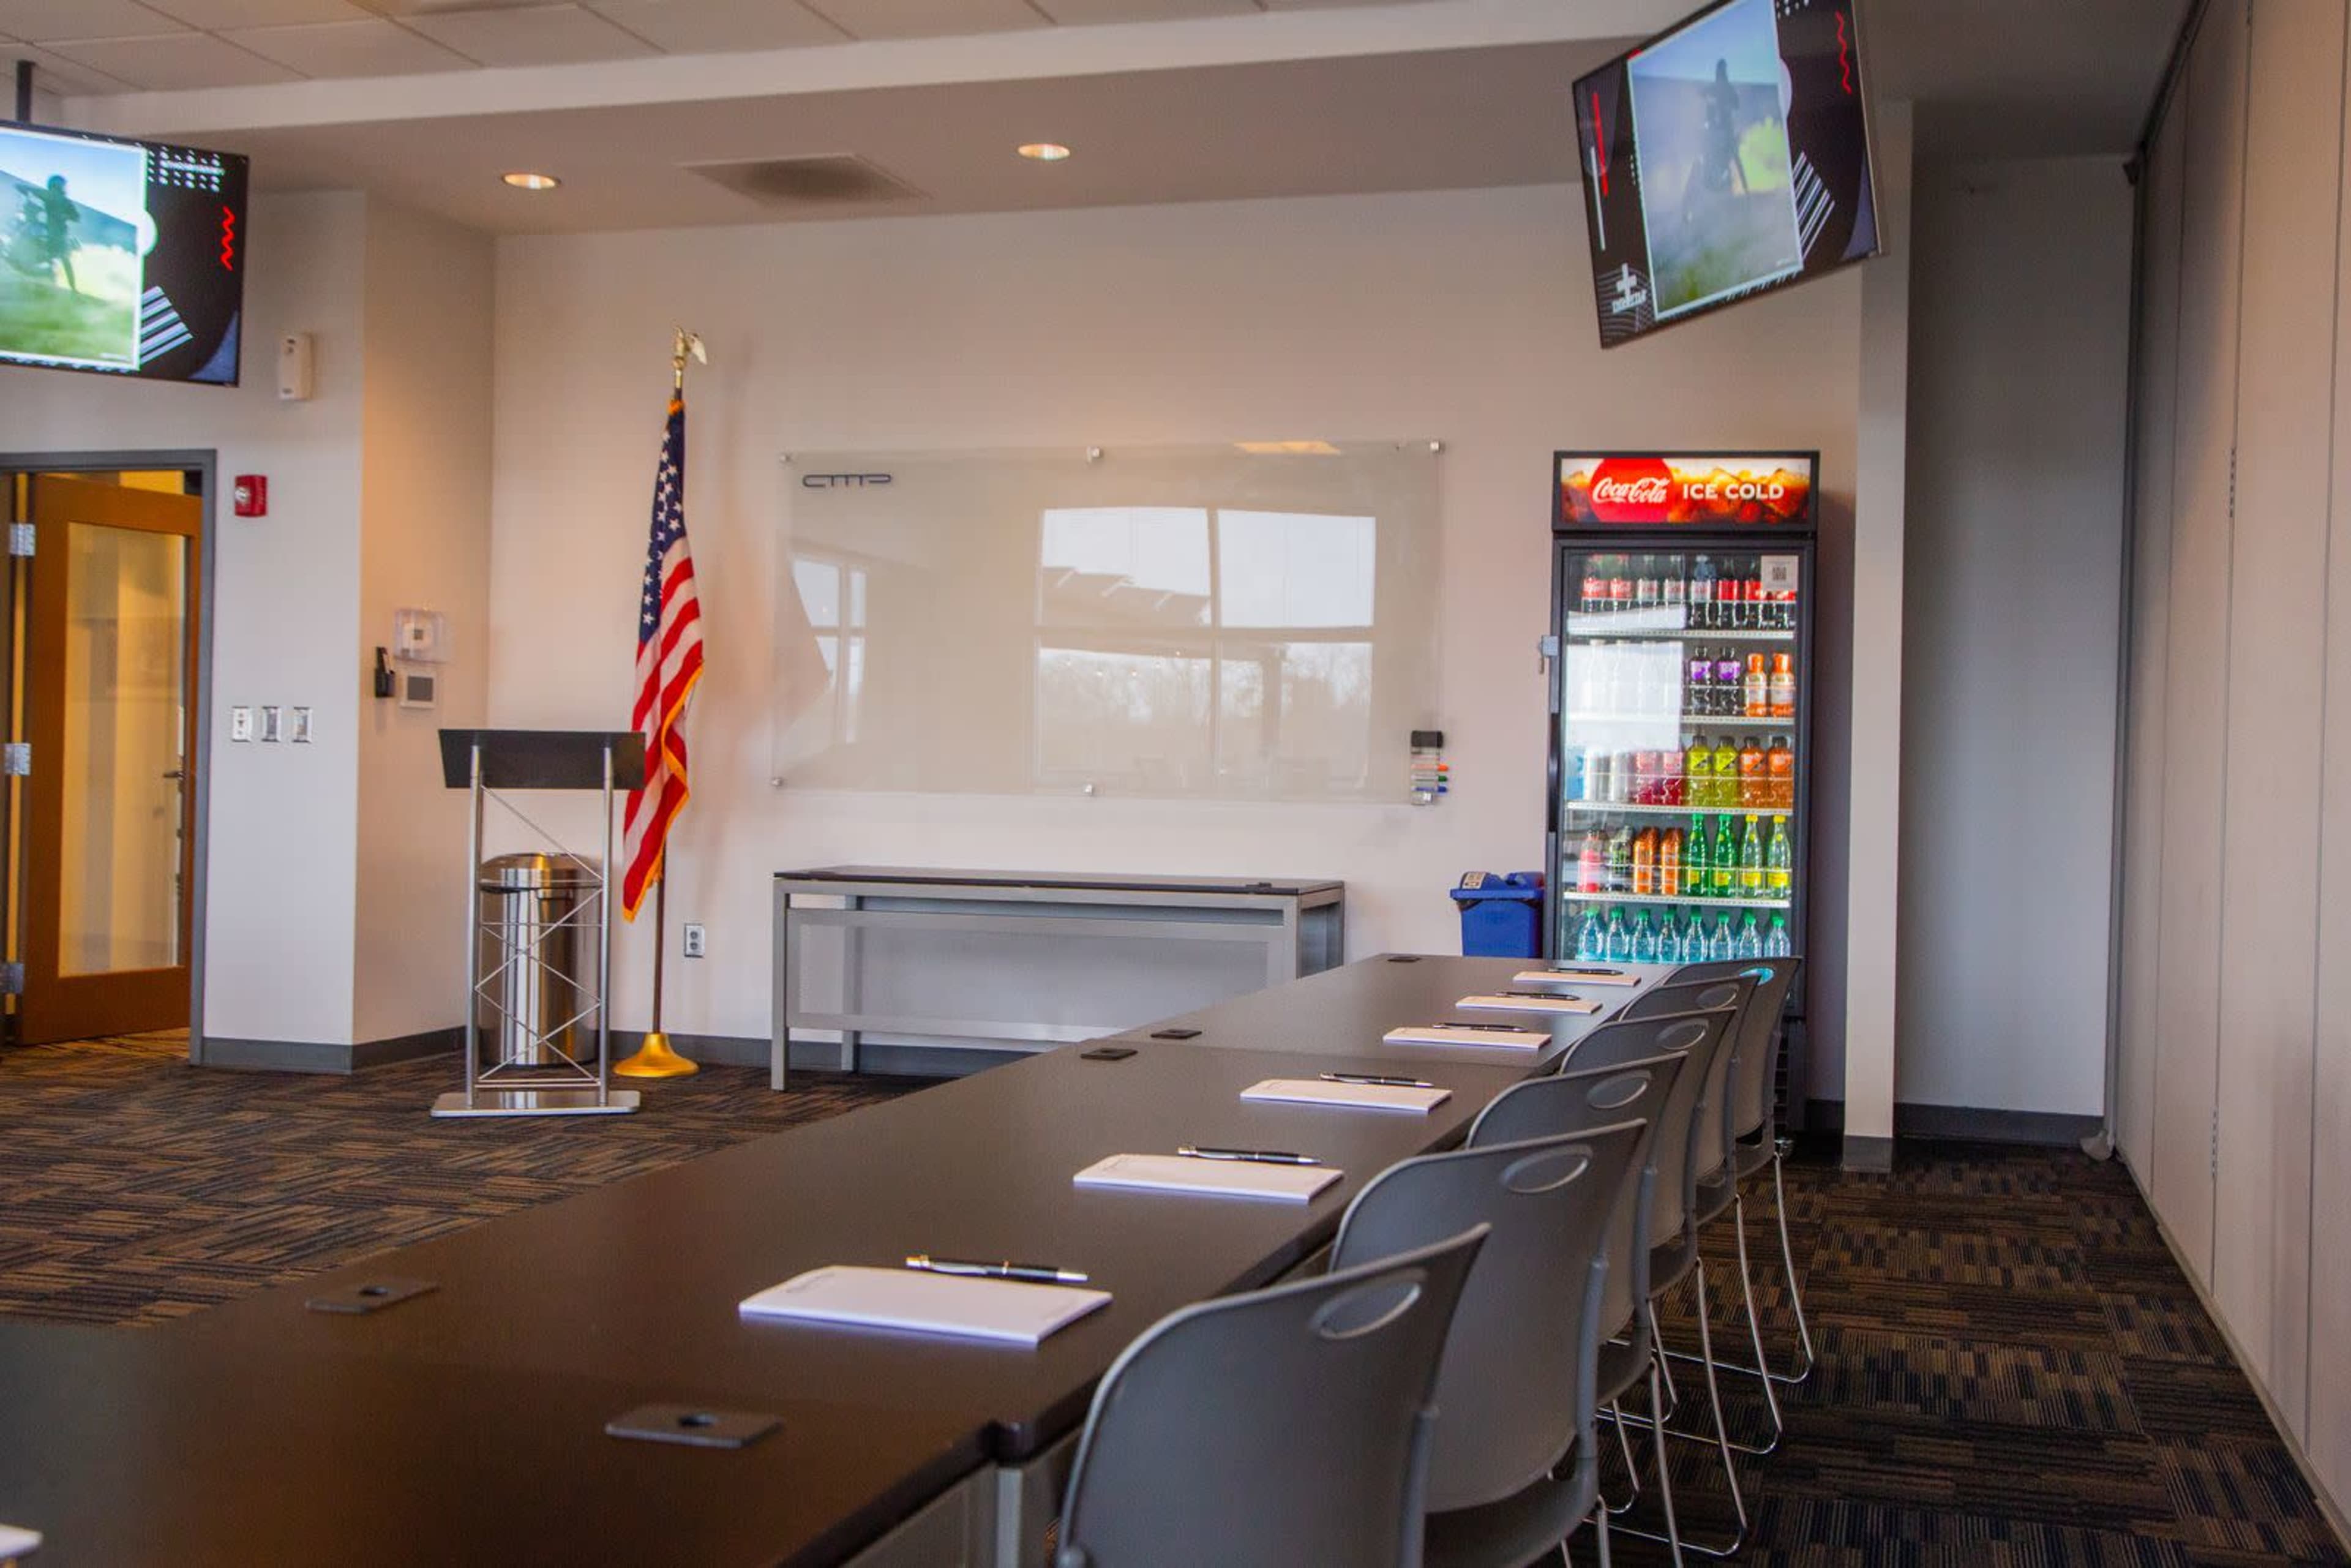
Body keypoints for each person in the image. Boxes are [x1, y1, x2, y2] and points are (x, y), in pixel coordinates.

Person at [33, 174, 80, 293]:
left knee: (56, 259)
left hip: (58, 234)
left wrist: (65, 216)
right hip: (55, 233)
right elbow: (77, 217)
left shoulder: (57, 198)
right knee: (60, 260)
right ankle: (69, 288)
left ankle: (70, 288)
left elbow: (76, 217)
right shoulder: (63, 200)